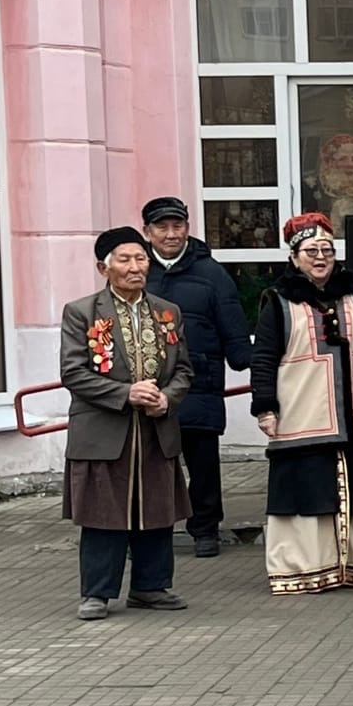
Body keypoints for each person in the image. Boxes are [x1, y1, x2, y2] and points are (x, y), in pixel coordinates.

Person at [249, 213, 353, 594]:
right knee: (306, 492)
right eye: (310, 251)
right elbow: (263, 358)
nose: (320, 258)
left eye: (327, 250)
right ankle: (305, 568)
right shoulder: (277, 301)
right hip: (302, 417)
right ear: (294, 257)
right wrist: (265, 407)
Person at [59, 228, 192, 620]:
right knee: (104, 511)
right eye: (125, 260)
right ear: (104, 267)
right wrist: (125, 394)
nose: (136, 267)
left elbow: (183, 369)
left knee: (156, 508)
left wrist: (167, 398)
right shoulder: (81, 311)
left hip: (154, 429)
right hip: (104, 430)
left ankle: (151, 587)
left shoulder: (167, 311)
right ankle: (97, 593)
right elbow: (73, 373)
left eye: (141, 259)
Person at [142, 196, 252, 557]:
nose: (171, 234)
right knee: (151, 461)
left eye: (178, 226)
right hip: (149, 385)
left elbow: (231, 318)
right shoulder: (138, 271)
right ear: (148, 232)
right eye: (162, 227)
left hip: (200, 381)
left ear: (188, 229)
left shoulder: (211, 272)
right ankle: (149, 529)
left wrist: (245, 358)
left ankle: (205, 529)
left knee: (203, 461)